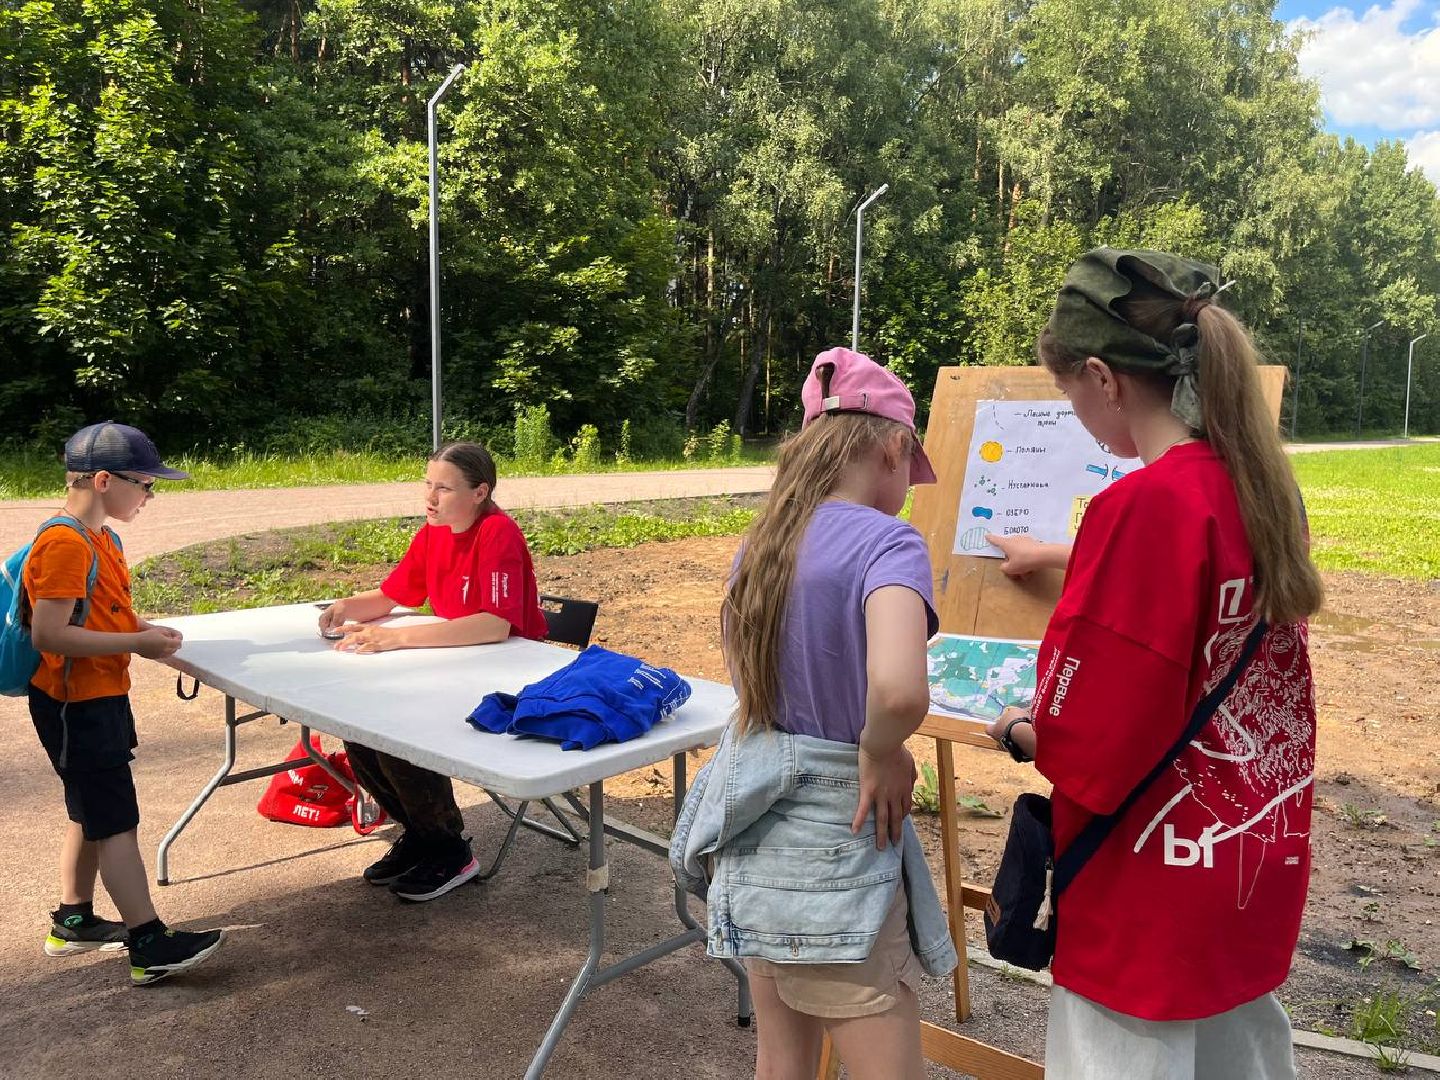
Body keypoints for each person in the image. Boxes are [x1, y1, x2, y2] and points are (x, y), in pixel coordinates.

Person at [985, 249, 1323, 1079]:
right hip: (1245, 860)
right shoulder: (1255, 485)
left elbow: (1095, 739)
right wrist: (1068, 554)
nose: (1075, 413)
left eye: (1069, 393)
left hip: (1150, 891)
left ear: (1103, 377)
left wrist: (1028, 731)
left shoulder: (1138, 505)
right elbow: (1198, 596)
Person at [672, 347, 958, 1080]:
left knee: (782, 1057)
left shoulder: (761, 542)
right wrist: (882, 749)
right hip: (839, 837)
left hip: (758, 829)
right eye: (909, 469)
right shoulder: (888, 540)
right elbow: (898, 693)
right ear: (894, 447)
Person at [24, 421, 226, 986]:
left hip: (99, 697)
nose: (150, 495)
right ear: (106, 480)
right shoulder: (63, 543)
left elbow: (101, 612)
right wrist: (136, 644)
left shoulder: (103, 539)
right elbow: (49, 635)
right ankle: (149, 943)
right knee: (115, 820)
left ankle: (73, 919)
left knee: (90, 809)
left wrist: (141, 628)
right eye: (145, 483)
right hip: (75, 704)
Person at [319, 441, 548, 903]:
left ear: (480, 491)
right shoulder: (433, 532)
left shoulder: (497, 532)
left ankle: (449, 848)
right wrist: (345, 606)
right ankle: (422, 834)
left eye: (444, 488)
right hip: (457, 665)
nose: (430, 497)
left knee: (401, 729)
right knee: (359, 727)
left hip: (511, 676)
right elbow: (391, 596)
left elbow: (494, 624)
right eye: (428, 484)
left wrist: (395, 638)